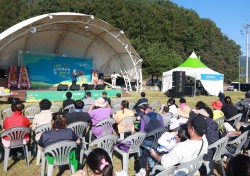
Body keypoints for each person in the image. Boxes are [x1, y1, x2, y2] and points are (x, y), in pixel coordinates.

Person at [135, 106, 165, 176]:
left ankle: (142, 165)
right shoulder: (159, 115)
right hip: (159, 140)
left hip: (148, 141)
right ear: (152, 110)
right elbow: (164, 126)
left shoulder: (144, 118)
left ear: (145, 111)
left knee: (139, 143)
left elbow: (142, 132)